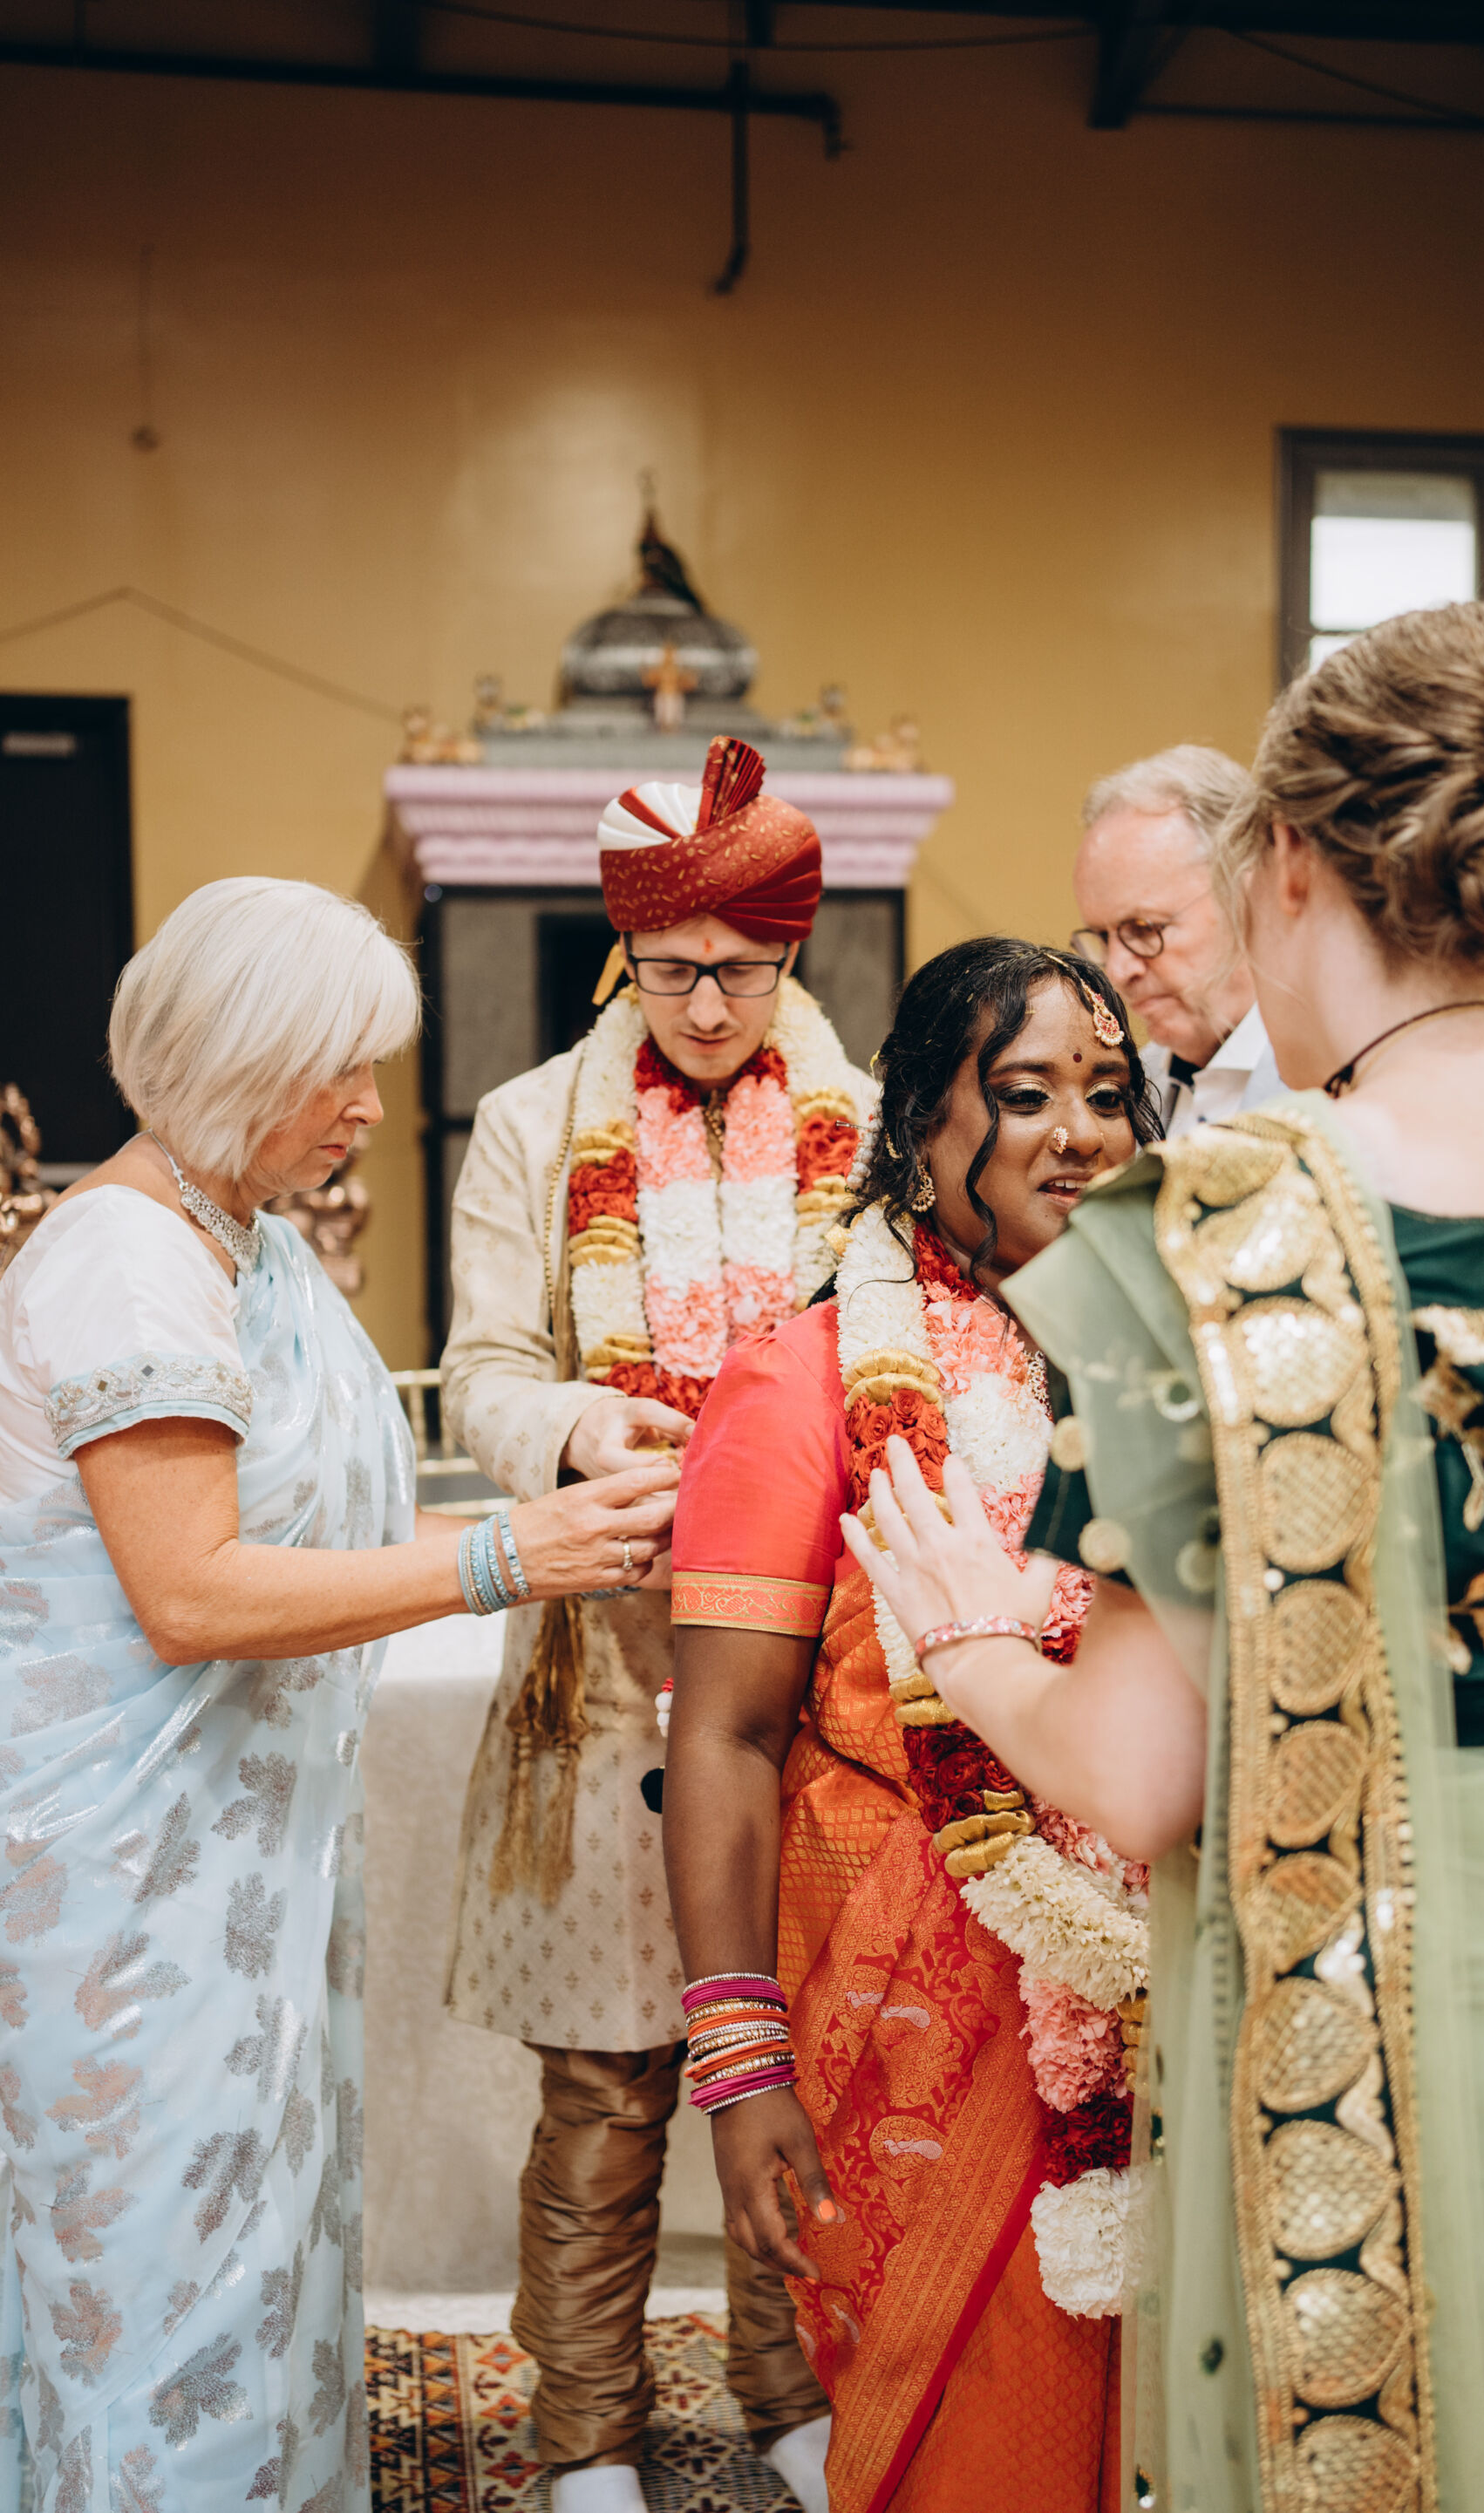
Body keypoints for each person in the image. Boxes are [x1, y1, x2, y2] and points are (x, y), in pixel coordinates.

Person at [845, 603, 1484, 2513]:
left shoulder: (1224, 1227)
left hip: (1380, 2055)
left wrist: (968, 1639)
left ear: (1286, 861)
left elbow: (1143, 1773)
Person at [0, 876, 677, 2513]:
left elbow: (333, 1540)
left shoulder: (243, 1244)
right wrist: (507, 1558)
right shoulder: (123, 1261)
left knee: (257, 2255)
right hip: (126, 1885)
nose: (371, 1107)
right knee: (163, 2276)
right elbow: (193, 1591)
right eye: (340, 1069)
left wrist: (577, 1505)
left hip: (237, 1866)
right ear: (237, 1059)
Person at [663, 938, 1162, 2513]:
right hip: (906, 2021)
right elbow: (725, 1738)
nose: (1078, 1132)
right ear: (918, 1124)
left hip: (1161, 1991)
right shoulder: (802, 1380)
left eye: (1108, 1092)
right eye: (1024, 1092)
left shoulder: (1167, 1369)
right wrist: (741, 2066)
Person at [439, 735, 871, 2513]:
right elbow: (482, 1371)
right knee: (611, 2094)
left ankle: (793, 2390)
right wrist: (574, 1428)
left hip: (809, 1674)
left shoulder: (863, 1124)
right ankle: (585, 2437)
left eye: (747, 971)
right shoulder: (533, 1124)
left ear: (791, 957)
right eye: (678, 967)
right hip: (610, 1672)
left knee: (806, 2062)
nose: (708, 1004)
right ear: (627, 948)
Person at [1073, 745, 1279, 1131]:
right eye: (1103, 937)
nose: (1117, 972)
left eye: (1144, 928)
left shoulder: (1333, 1077)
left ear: (1248, 892)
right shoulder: (1127, 1093)